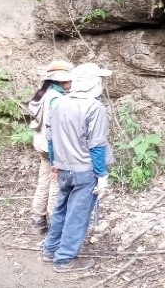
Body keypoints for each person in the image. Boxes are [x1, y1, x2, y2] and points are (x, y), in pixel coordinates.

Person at [42, 62, 113, 273]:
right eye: (100, 79)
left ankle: (50, 249)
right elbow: (97, 144)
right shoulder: (94, 107)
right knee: (78, 215)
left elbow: (50, 138)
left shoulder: (60, 103)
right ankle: (65, 259)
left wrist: (55, 163)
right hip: (85, 170)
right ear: (92, 83)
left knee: (61, 209)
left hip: (63, 168)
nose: (102, 83)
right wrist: (102, 175)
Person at [26, 59, 74, 234]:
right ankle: (56, 225)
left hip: (41, 145)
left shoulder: (45, 93)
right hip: (53, 148)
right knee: (56, 185)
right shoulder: (57, 99)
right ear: (59, 81)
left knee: (44, 181)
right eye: (68, 80)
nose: (71, 83)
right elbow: (57, 129)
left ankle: (37, 221)